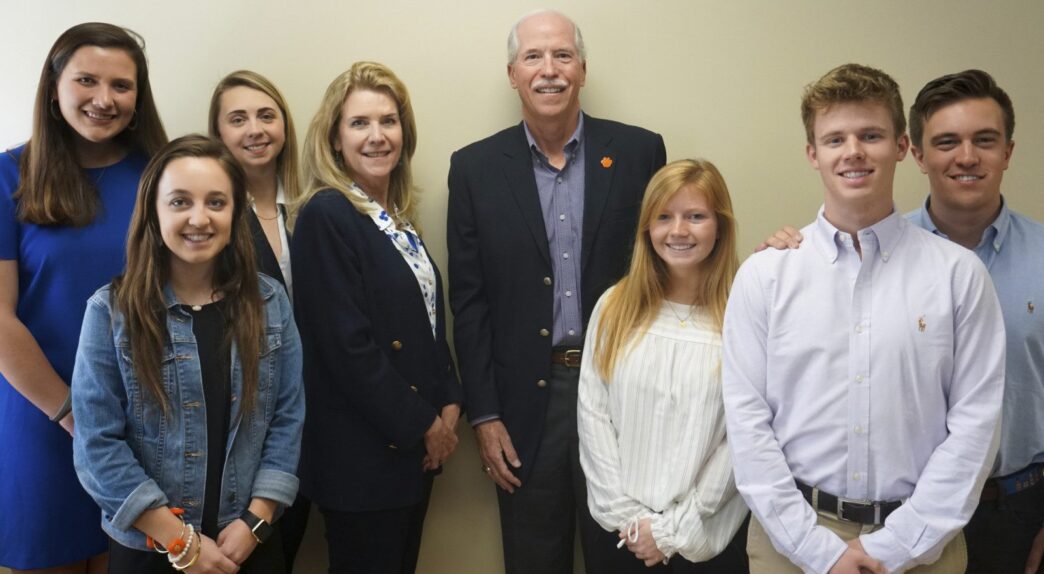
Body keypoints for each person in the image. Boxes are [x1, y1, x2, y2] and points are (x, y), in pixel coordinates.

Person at [722, 63, 1005, 574]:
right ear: (813, 154)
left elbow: (975, 428)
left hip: (925, 544)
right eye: (835, 139)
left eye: (870, 135)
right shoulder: (765, 276)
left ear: (901, 145)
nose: (853, 151)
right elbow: (747, 426)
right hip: (790, 542)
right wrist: (817, 551)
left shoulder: (958, 276)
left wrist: (892, 547)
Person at [447, 9, 666, 573]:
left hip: (622, 397)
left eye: (562, 56)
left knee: (624, 555)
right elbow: (469, 303)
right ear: (513, 73)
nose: (550, 70)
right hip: (525, 407)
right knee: (534, 559)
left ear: (583, 70)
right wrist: (485, 414)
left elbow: (671, 266)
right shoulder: (473, 169)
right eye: (534, 57)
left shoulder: (641, 153)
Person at [71, 134, 305, 573]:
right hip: (151, 549)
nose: (200, 218)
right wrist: (180, 540)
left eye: (216, 202)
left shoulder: (270, 302)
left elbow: (287, 419)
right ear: (154, 212)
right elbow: (96, 444)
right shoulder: (110, 311)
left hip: (248, 544)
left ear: (235, 213)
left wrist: (256, 519)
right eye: (180, 202)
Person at [0, 22, 166, 574]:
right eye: (86, 81)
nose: (104, 99)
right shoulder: (8, 178)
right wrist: (74, 414)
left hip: (147, 424)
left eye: (121, 85)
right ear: (53, 88)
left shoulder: (161, 178)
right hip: (44, 421)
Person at [292, 61, 463, 574]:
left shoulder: (396, 221)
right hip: (362, 459)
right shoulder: (327, 215)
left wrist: (451, 399)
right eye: (359, 123)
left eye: (388, 121)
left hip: (410, 453)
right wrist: (424, 424)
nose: (377, 136)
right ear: (334, 138)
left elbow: (427, 323)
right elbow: (348, 349)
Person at [577, 159, 750, 573]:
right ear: (646, 228)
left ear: (720, 225)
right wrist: (631, 521)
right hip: (622, 537)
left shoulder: (744, 314)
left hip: (704, 540)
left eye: (696, 216)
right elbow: (594, 416)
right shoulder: (615, 306)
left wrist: (671, 531)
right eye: (664, 217)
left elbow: (743, 435)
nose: (678, 231)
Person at [209, 69, 311, 572]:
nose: (256, 129)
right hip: (239, 433)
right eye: (238, 118)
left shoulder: (311, 208)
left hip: (307, 427)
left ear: (285, 127)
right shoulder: (210, 222)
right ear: (219, 134)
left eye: (267, 115)